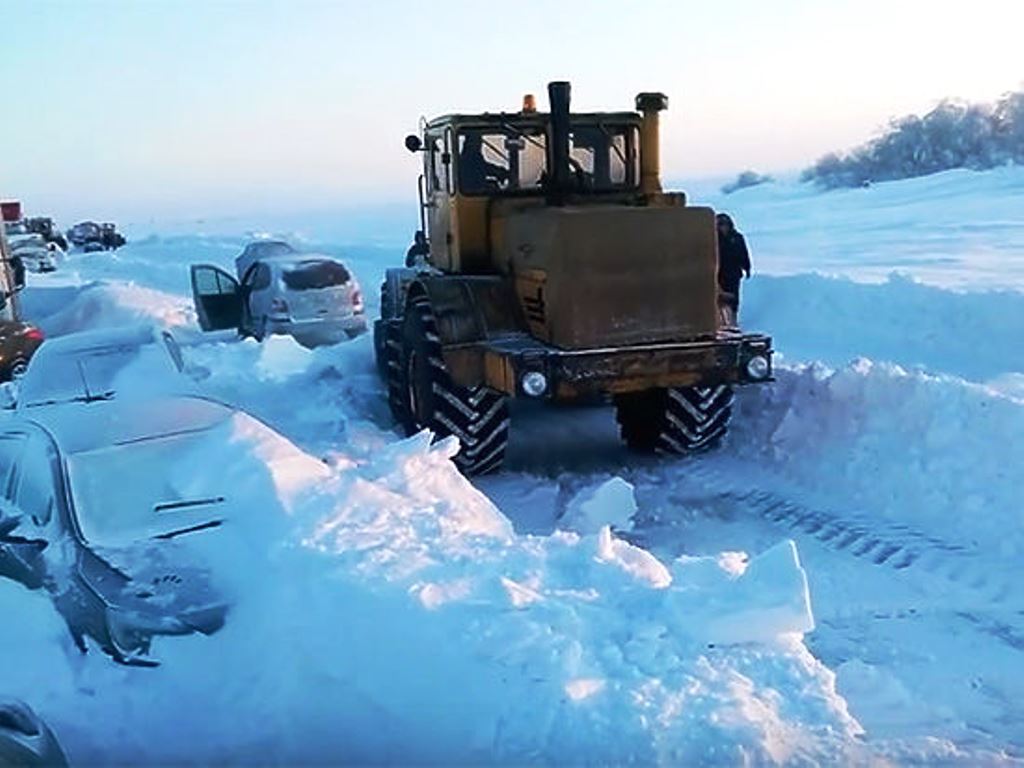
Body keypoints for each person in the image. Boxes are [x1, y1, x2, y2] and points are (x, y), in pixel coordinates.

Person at [715, 212, 751, 314]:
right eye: (720, 224)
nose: (723, 227)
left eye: (725, 224)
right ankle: (721, 319)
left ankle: (733, 317)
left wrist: (747, 267)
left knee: (733, 298)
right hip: (718, 273)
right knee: (719, 297)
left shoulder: (737, 237)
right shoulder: (714, 239)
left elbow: (744, 252)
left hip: (734, 273)